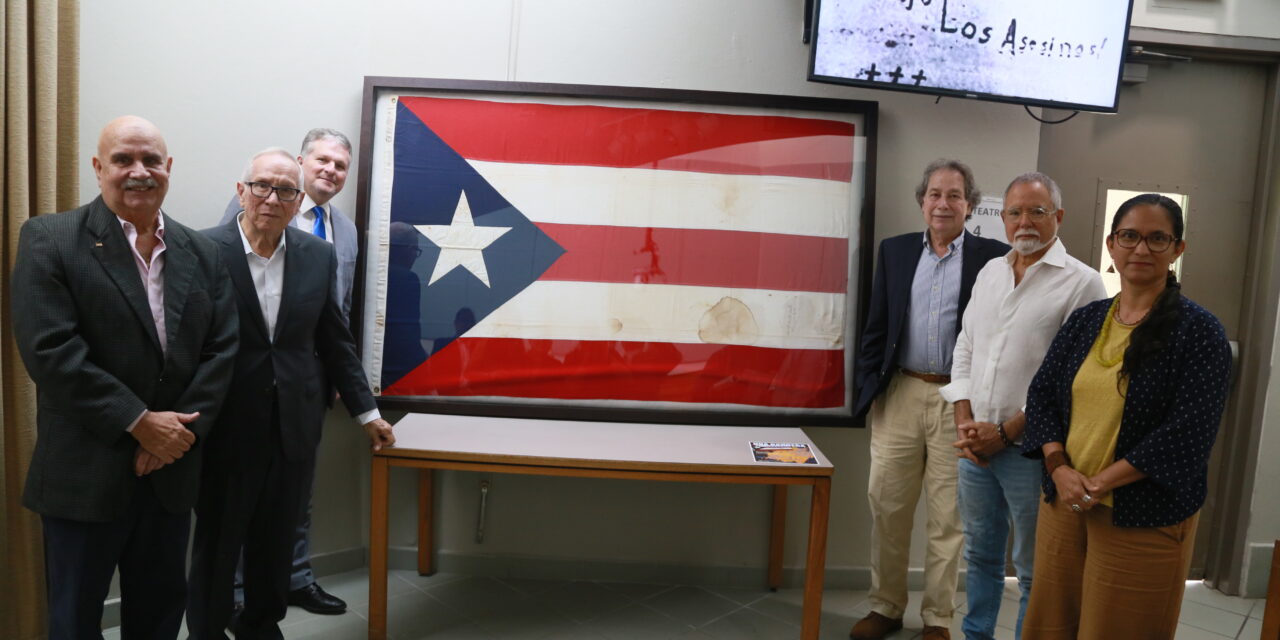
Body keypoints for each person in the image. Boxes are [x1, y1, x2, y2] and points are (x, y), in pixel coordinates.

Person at [11, 115, 238, 639]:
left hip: (170, 472)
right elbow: (51, 350)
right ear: (98, 168)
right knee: (74, 619)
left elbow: (222, 349)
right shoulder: (50, 238)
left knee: (160, 615)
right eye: (123, 160)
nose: (139, 171)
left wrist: (175, 436)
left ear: (169, 168)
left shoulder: (202, 251)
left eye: (151, 160)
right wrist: (139, 422)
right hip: (84, 473)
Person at [186, 148, 395, 639]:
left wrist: (367, 412)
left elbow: (334, 340)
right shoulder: (201, 250)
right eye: (262, 185)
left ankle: (261, 625)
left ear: (298, 200)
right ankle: (208, 630)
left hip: (294, 426)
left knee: (276, 541)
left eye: (284, 190)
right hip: (224, 426)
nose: (271, 197)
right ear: (241, 191)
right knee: (218, 542)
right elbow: (184, 344)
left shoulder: (317, 255)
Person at [1020, 194, 1231, 638]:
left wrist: (1100, 483)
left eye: (1158, 239)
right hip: (1065, 503)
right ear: (1112, 245)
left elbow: (1188, 433)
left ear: (1178, 249)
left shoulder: (1199, 332)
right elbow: (1041, 396)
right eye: (1130, 236)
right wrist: (1058, 468)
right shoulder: (1086, 320)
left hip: (1141, 514)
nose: (1141, 249)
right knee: (1050, 627)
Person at [939, 172, 1106, 640]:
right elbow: (966, 346)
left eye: (1037, 211)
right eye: (1014, 212)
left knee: (1034, 569)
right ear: (1002, 217)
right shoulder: (991, 272)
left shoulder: (1083, 284)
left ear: (1059, 216)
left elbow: (1073, 380)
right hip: (976, 447)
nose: (1024, 221)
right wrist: (965, 419)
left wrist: (1007, 432)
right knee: (980, 557)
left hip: (1032, 453)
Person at [850, 159, 1010, 640]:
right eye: (935, 194)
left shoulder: (995, 258)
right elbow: (876, 325)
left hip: (958, 401)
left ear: (970, 204)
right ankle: (885, 606)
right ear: (922, 202)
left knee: (949, 514)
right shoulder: (895, 251)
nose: (944, 203)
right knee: (888, 506)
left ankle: (937, 617)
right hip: (899, 393)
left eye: (954, 195)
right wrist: (869, 390)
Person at [219, 128, 356, 615]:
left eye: (340, 165)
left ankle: (294, 579)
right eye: (322, 160)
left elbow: (337, 312)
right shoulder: (254, 209)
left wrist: (340, 379)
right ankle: (235, 596)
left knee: (296, 496)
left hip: (308, 387)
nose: (330, 171)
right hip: (248, 391)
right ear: (302, 162)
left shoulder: (345, 229)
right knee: (240, 499)